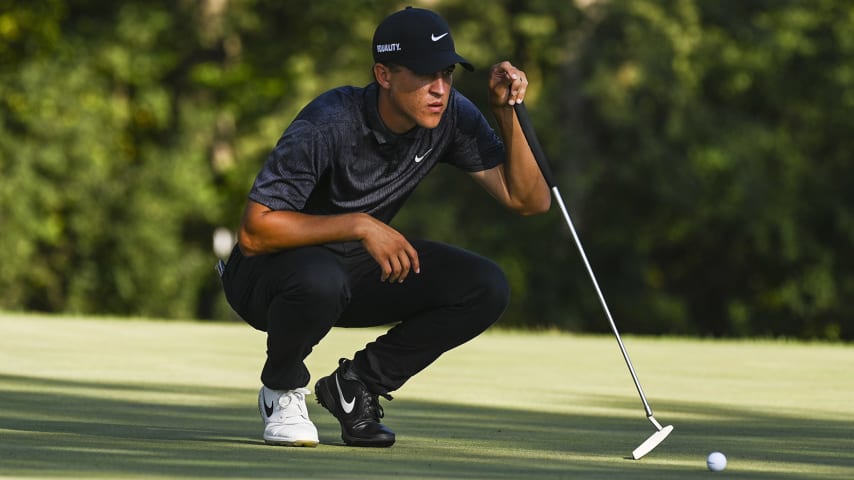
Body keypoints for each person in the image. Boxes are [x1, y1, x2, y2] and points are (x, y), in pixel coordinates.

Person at [219, 6, 550, 448]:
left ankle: (356, 384)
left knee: (484, 286)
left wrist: (505, 113)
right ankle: (280, 390)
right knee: (321, 279)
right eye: (424, 74)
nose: (440, 89)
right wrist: (360, 225)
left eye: (447, 73)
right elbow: (255, 233)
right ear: (384, 74)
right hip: (266, 278)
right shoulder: (328, 122)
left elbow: (529, 199)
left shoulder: (451, 114)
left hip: (350, 274)